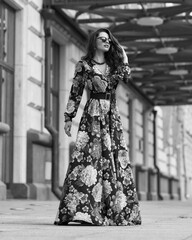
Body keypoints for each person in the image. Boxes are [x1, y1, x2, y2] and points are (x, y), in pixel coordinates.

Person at [54, 28, 141, 226]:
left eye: (109, 40)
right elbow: (75, 91)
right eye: (102, 39)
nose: (106, 42)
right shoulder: (83, 65)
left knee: (113, 161)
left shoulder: (113, 65)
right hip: (92, 116)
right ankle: (82, 211)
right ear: (94, 42)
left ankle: (112, 210)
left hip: (111, 116)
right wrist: (69, 117)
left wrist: (123, 54)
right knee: (87, 162)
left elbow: (126, 74)